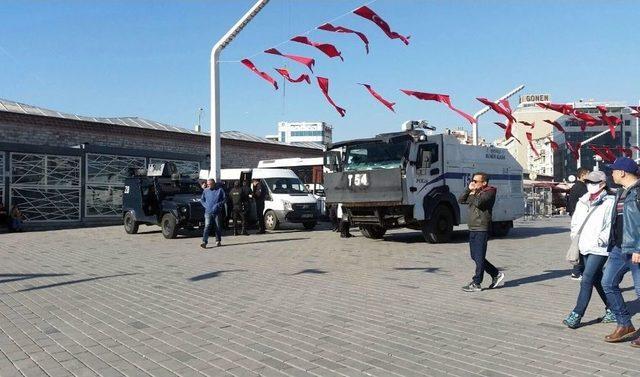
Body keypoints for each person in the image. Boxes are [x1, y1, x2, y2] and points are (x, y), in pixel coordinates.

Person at [563, 171, 616, 329]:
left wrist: (602, 240)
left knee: (586, 278)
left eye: (594, 182)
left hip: (599, 247)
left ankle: (577, 314)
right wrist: (574, 236)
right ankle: (613, 308)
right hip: (583, 245)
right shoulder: (582, 200)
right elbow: (576, 221)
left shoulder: (610, 201)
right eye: (588, 182)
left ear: (602, 183)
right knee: (595, 278)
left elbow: (610, 224)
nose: (590, 185)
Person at [600, 157, 640, 344]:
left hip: (636, 250)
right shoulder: (621, 192)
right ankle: (624, 324)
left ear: (622, 172)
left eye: (614, 170)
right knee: (607, 283)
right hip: (619, 248)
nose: (612, 173)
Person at [458, 172, 505, 292]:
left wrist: (473, 193)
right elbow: (461, 199)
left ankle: (477, 283)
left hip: (482, 228)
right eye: (472, 181)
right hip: (473, 227)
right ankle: (496, 274)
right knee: (475, 256)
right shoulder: (476, 191)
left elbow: (479, 203)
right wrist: (468, 190)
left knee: (479, 257)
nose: (473, 183)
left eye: (476, 181)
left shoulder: (490, 192)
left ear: (484, 182)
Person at [567, 167, 590, 280]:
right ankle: (577, 272)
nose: (589, 176)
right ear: (582, 175)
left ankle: (579, 271)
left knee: (580, 245)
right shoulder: (581, 188)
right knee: (580, 246)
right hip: (580, 220)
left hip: (577, 218)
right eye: (588, 174)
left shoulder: (577, 186)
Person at [200, 178, 226, 248]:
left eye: (210, 184)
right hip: (208, 212)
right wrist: (206, 206)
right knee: (207, 226)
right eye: (207, 184)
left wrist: (218, 205)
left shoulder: (220, 190)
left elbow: (224, 199)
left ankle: (218, 240)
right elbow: (202, 200)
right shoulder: (205, 191)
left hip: (216, 211)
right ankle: (204, 242)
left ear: (214, 184)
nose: (208, 186)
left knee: (217, 226)